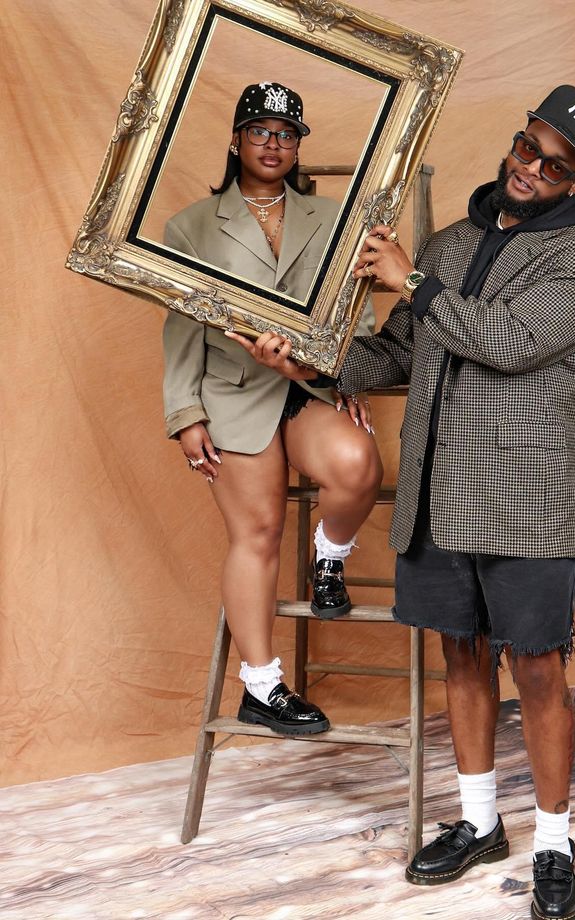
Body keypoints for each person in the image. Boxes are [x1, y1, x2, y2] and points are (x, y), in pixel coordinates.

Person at [229, 84, 575, 918]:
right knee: (459, 655)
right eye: (530, 147)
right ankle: (480, 821)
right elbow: (402, 353)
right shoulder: (451, 243)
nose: (533, 169)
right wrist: (308, 370)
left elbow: (509, 345)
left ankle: (555, 842)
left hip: (523, 494)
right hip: (439, 489)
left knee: (540, 670)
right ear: (518, 138)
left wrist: (410, 278)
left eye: (557, 166)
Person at [162, 81, 382, 736]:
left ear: (296, 147)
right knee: (256, 533)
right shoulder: (191, 227)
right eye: (259, 131)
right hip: (230, 396)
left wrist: (351, 375)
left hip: (306, 387)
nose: (272, 144)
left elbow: (355, 311)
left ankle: (328, 560)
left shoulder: (333, 219)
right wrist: (186, 415)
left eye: (285, 135)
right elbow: (179, 328)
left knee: (358, 463)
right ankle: (262, 686)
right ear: (236, 140)